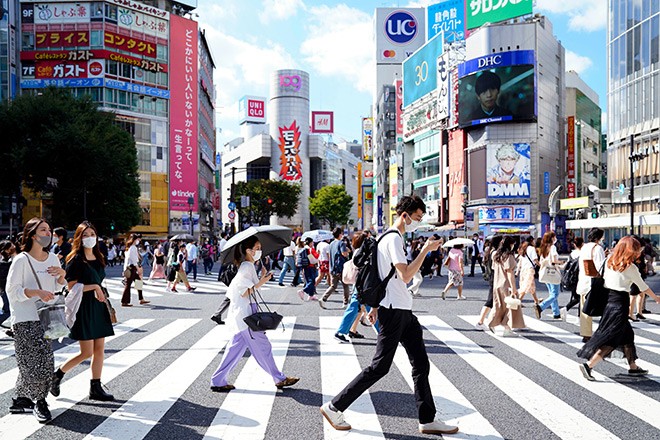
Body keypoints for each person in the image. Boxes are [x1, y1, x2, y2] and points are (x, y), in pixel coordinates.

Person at [320, 195, 459, 436]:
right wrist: (426, 250)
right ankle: (334, 407)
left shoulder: (387, 238)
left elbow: (382, 277)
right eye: (416, 217)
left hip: (401, 309)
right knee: (379, 367)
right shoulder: (393, 239)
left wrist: (375, 306)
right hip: (394, 312)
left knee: (421, 364)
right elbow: (404, 275)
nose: (418, 221)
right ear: (405, 215)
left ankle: (427, 420)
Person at [210, 235, 299, 391]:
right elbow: (244, 291)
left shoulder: (247, 266)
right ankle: (279, 378)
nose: (260, 251)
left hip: (243, 315)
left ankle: (218, 381)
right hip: (247, 316)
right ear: (249, 251)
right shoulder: (247, 267)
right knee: (264, 347)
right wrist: (263, 281)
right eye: (257, 249)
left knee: (234, 350)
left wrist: (261, 279)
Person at [5, 218, 65, 422]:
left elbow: (57, 292)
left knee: (40, 360)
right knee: (37, 363)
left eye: (49, 229)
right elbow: (12, 291)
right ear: (32, 235)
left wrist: (62, 277)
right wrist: (35, 292)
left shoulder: (54, 259)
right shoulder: (21, 259)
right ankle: (40, 401)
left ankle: (21, 400)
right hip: (24, 319)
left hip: (46, 317)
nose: (48, 233)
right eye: (43, 230)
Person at [577, 236, 660, 381]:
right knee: (611, 339)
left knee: (627, 335)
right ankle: (588, 365)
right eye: (637, 249)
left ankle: (633, 367)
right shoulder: (630, 267)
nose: (638, 252)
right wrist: (657, 298)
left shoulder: (609, 261)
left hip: (609, 303)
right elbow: (643, 287)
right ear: (631, 250)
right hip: (620, 305)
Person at [50, 221, 115, 402]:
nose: (89, 238)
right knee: (86, 352)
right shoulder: (75, 259)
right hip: (83, 307)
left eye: (92, 234)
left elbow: (100, 280)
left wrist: (99, 289)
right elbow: (71, 287)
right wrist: (94, 286)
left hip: (98, 306)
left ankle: (96, 387)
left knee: (100, 349)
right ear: (79, 238)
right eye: (85, 235)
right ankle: (58, 375)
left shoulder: (99, 256)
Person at [486, 235, 524, 336]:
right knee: (509, 307)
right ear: (510, 244)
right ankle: (506, 328)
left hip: (497, 284)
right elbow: (509, 272)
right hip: (506, 284)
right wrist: (514, 288)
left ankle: (492, 322)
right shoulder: (509, 256)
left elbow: (494, 269)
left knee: (499, 305)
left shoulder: (496, 255)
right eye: (513, 244)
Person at [576, 228, 606, 342]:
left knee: (585, 308)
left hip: (584, 280)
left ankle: (586, 334)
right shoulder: (598, 248)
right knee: (604, 308)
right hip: (594, 283)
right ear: (599, 237)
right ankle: (603, 332)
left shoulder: (584, 247)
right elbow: (600, 266)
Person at [320, 228, 351, 309]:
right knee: (346, 285)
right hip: (341, 268)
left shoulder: (331, 244)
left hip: (332, 267)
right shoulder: (341, 243)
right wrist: (347, 251)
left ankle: (323, 298)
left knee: (333, 286)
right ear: (340, 234)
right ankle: (345, 303)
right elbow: (344, 254)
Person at [476, 235, 503, 329]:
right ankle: (480, 322)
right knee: (491, 300)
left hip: (492, 277)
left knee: (494, 300)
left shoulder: (489, 251)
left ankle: (488, 321)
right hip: (495, 277)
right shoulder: (495, 252)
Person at [534, 231, 562, 320]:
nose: (555, 238)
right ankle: (541, 307)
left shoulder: (543, 248)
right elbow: (553, 261)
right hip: (553, 273)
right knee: (555, 294)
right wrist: (562, 262)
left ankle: (556, 312)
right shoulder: (552, 247)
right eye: (554, 237)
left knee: (552, 293)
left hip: (546, 273)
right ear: (552, 238)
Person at [121, 233, 149, 307]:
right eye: (138, 239)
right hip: (132, 268)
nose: (139, 241)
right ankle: (125, 301)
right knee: (128, 285)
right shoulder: (132, 248)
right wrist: (138, 268)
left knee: (138, 282)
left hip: (131, 268)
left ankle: (141, 299)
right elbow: (133, 260)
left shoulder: (131, 247)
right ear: (135, 240)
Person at [561, 237, 584, 318]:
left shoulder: (572, 254)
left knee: (578, 297)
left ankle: (568, 309)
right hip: (580, 277)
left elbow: (567, 265)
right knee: (580, 297)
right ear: (582, 244)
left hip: (572, 278)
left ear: (574, 244)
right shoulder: (583, 253)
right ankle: (576, 313)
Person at [517, 235, 540, 304]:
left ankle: (536, 300)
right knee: (526, 286)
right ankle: (518, 301)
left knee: (531, 285)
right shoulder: (532, 248)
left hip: (523, 270)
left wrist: (517, 271)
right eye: (533, 240)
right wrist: (541, 265)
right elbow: (535, 260)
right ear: (531, 241)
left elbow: (520, 261)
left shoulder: (522, 248)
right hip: (529, 269)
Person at [0, 240, 17, 334]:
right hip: (6, 289)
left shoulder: (9, 260)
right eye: (11, 247)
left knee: (9, 309)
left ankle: (13, 329)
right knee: (8, 311)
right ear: (6, 250)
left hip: (6, 289)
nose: (14, 247)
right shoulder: (5, 263)